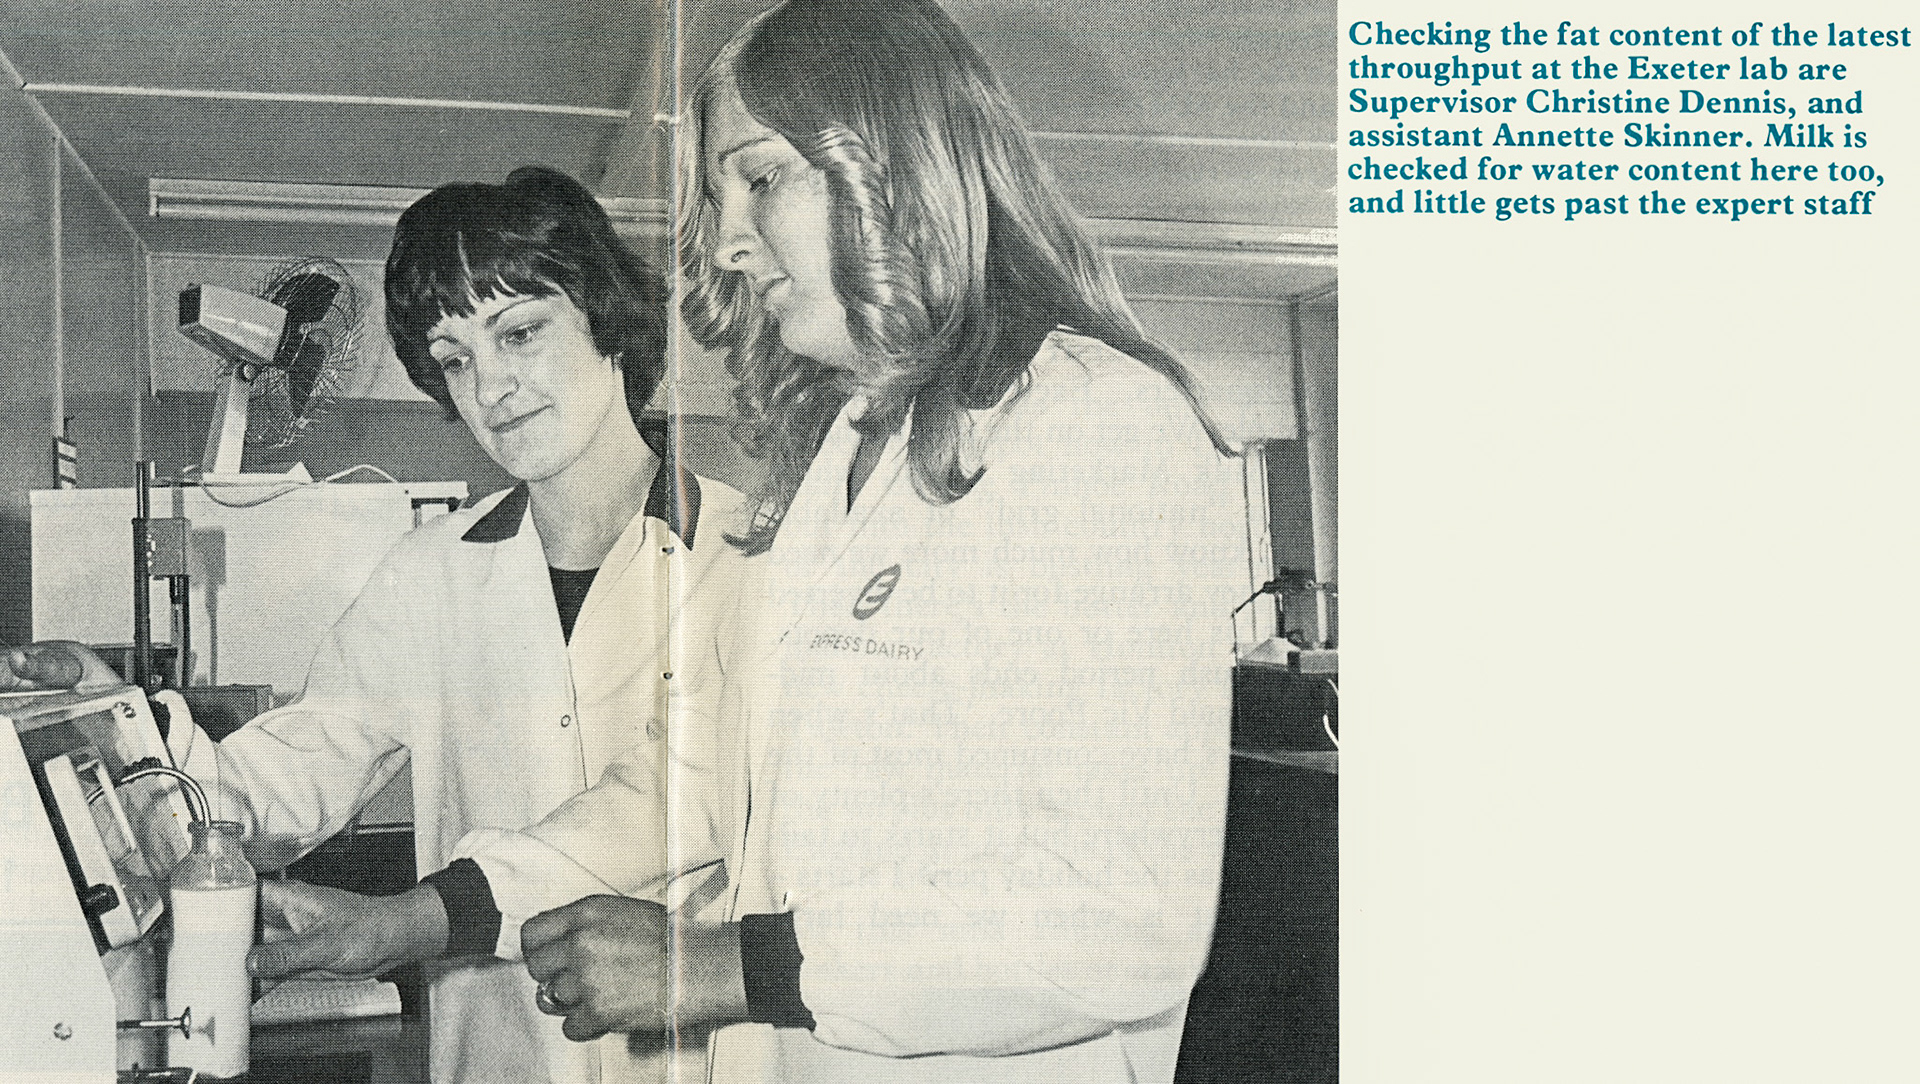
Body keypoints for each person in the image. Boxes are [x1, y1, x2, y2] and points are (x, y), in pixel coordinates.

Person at [512, 2, 1252, 1080]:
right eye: (720, 198)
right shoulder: (851, 447)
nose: (722, 239)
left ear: (897, 160)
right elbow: (719, 785)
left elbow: (1126, 912)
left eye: (759, 179)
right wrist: (447, 908)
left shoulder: (1098, 423)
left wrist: (733, 968)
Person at [8, 166, 745, 1084]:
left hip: (691, 1060)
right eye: (454, 359)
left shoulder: (750, 557)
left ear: (607, 323)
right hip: (496, 1053)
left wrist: (418, 916)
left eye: (519, 332)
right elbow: (300, 763)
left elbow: (683, 798)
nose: (491, 387)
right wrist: (125, 730)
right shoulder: (430, 569)